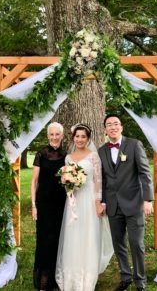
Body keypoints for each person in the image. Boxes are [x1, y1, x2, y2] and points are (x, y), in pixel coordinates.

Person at [98, 114, 154, 291]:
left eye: (116, 124)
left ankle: (140, 281)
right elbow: (104, 179)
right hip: (113, 206)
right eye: (109, 125)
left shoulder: (134, 145)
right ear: (105, 129)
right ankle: (125, 276)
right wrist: (103, 202)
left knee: (136, 244)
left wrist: (148, 199)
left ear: (121, 127)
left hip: (134, 203)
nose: (113, 127)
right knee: (118, 244)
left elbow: (145, 174)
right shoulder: (102, 151)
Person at [55, 123, 113, 291]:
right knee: (73, 234)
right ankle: (71, 274)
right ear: (73, 138)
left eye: (83, 137)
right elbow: (65, 180)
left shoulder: (93, 156)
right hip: (73, 201)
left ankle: (86, 276)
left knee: (88, 235)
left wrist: (97, 202)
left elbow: (98, 180)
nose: (79, 139)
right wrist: (69, 184)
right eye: (77, 136)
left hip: (88, 201)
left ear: (88, 139)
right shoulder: (68, 158)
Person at [31, 122, 67, 291]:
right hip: (44, 204)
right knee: (44, 240)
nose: (54, 137)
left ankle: (56, 276)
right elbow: (34, 182)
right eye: (51, 134)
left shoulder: (67, 155)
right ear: (48, 136)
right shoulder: (41, 154)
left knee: (58, 239)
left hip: (61, 204)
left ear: (62, 136)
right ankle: (44, 278)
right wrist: (33, 206)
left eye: (57, 134)